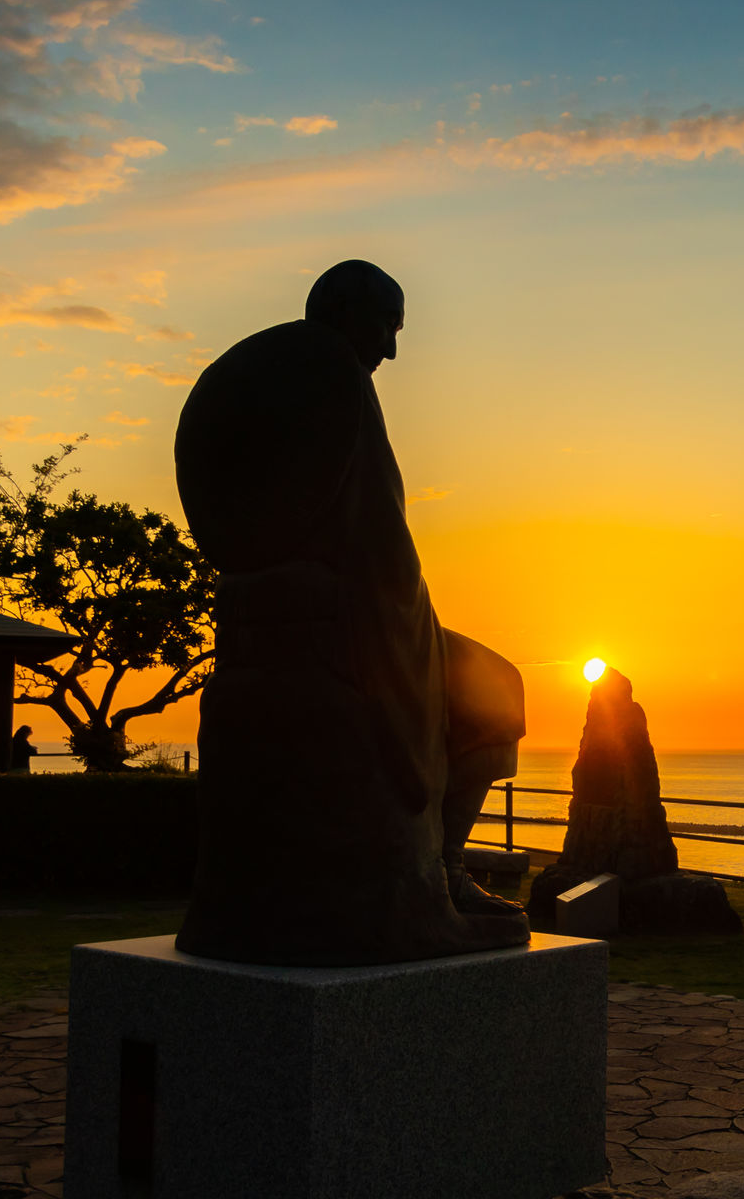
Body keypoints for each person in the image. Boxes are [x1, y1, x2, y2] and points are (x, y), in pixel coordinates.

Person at [172, 259, 530, 965]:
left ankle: (442, 871)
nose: (391, 351)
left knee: (483, 684)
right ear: (347, 312)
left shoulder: (260, 369)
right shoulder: (329, 371)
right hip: (358, 617)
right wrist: (406, 625)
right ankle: (440, 874)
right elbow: (374, 537)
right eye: (388, 327)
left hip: (315, 605)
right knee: (499, 690)